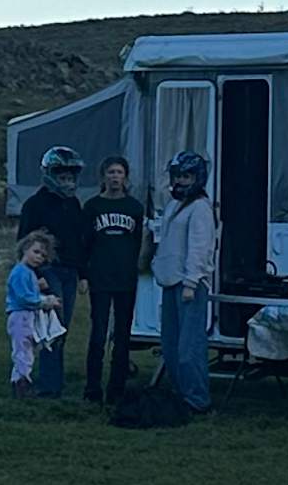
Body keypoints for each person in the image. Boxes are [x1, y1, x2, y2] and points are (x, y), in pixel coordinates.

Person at [75, 155, 148, 403]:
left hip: (126, 279)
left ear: (125, 177)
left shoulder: (134, 207)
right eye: (111, 172)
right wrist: (83, 275)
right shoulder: (93, 207)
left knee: (123, 336)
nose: (115, 177)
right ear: (103, 176)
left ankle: (116, 389)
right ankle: (92, 389)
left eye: (119, 172)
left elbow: (138, 243)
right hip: (100, 278)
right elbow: (84, 243)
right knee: (98, 334)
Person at [150, 149, 218, 413]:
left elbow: (200, 247)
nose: (180, 181)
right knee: (170, 345)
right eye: (177, 176)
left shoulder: (200, 208)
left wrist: (191, 282)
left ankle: (197, 399)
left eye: (186, 176)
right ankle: (180, 394)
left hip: (189, 285)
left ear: (197, 178)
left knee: (190, 347)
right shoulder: (174, 205)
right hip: (170, 282)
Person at [17, 146, 92, 294]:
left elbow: (79, 239)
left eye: (70, 179)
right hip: (47, 268)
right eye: (62, 178)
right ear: (50, 175)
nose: (67, 183)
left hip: (70, 268)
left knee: (66, 309)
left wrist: (83, 274)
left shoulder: (73, 203)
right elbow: (24, 242)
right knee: (54, 306)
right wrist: (36, 274)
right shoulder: (34, 204)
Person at [4, 230, 64, 396]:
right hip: (20, 315)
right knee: (22, 350)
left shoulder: (28, 273)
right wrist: (44, 302)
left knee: (27, 350)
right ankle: (21, 382)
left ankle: (22, 380)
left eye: (43, 256)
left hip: (28, 315)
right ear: (25, 249)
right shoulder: (20, 272)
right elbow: (24, 297)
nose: (39, 257)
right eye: (36, 252)